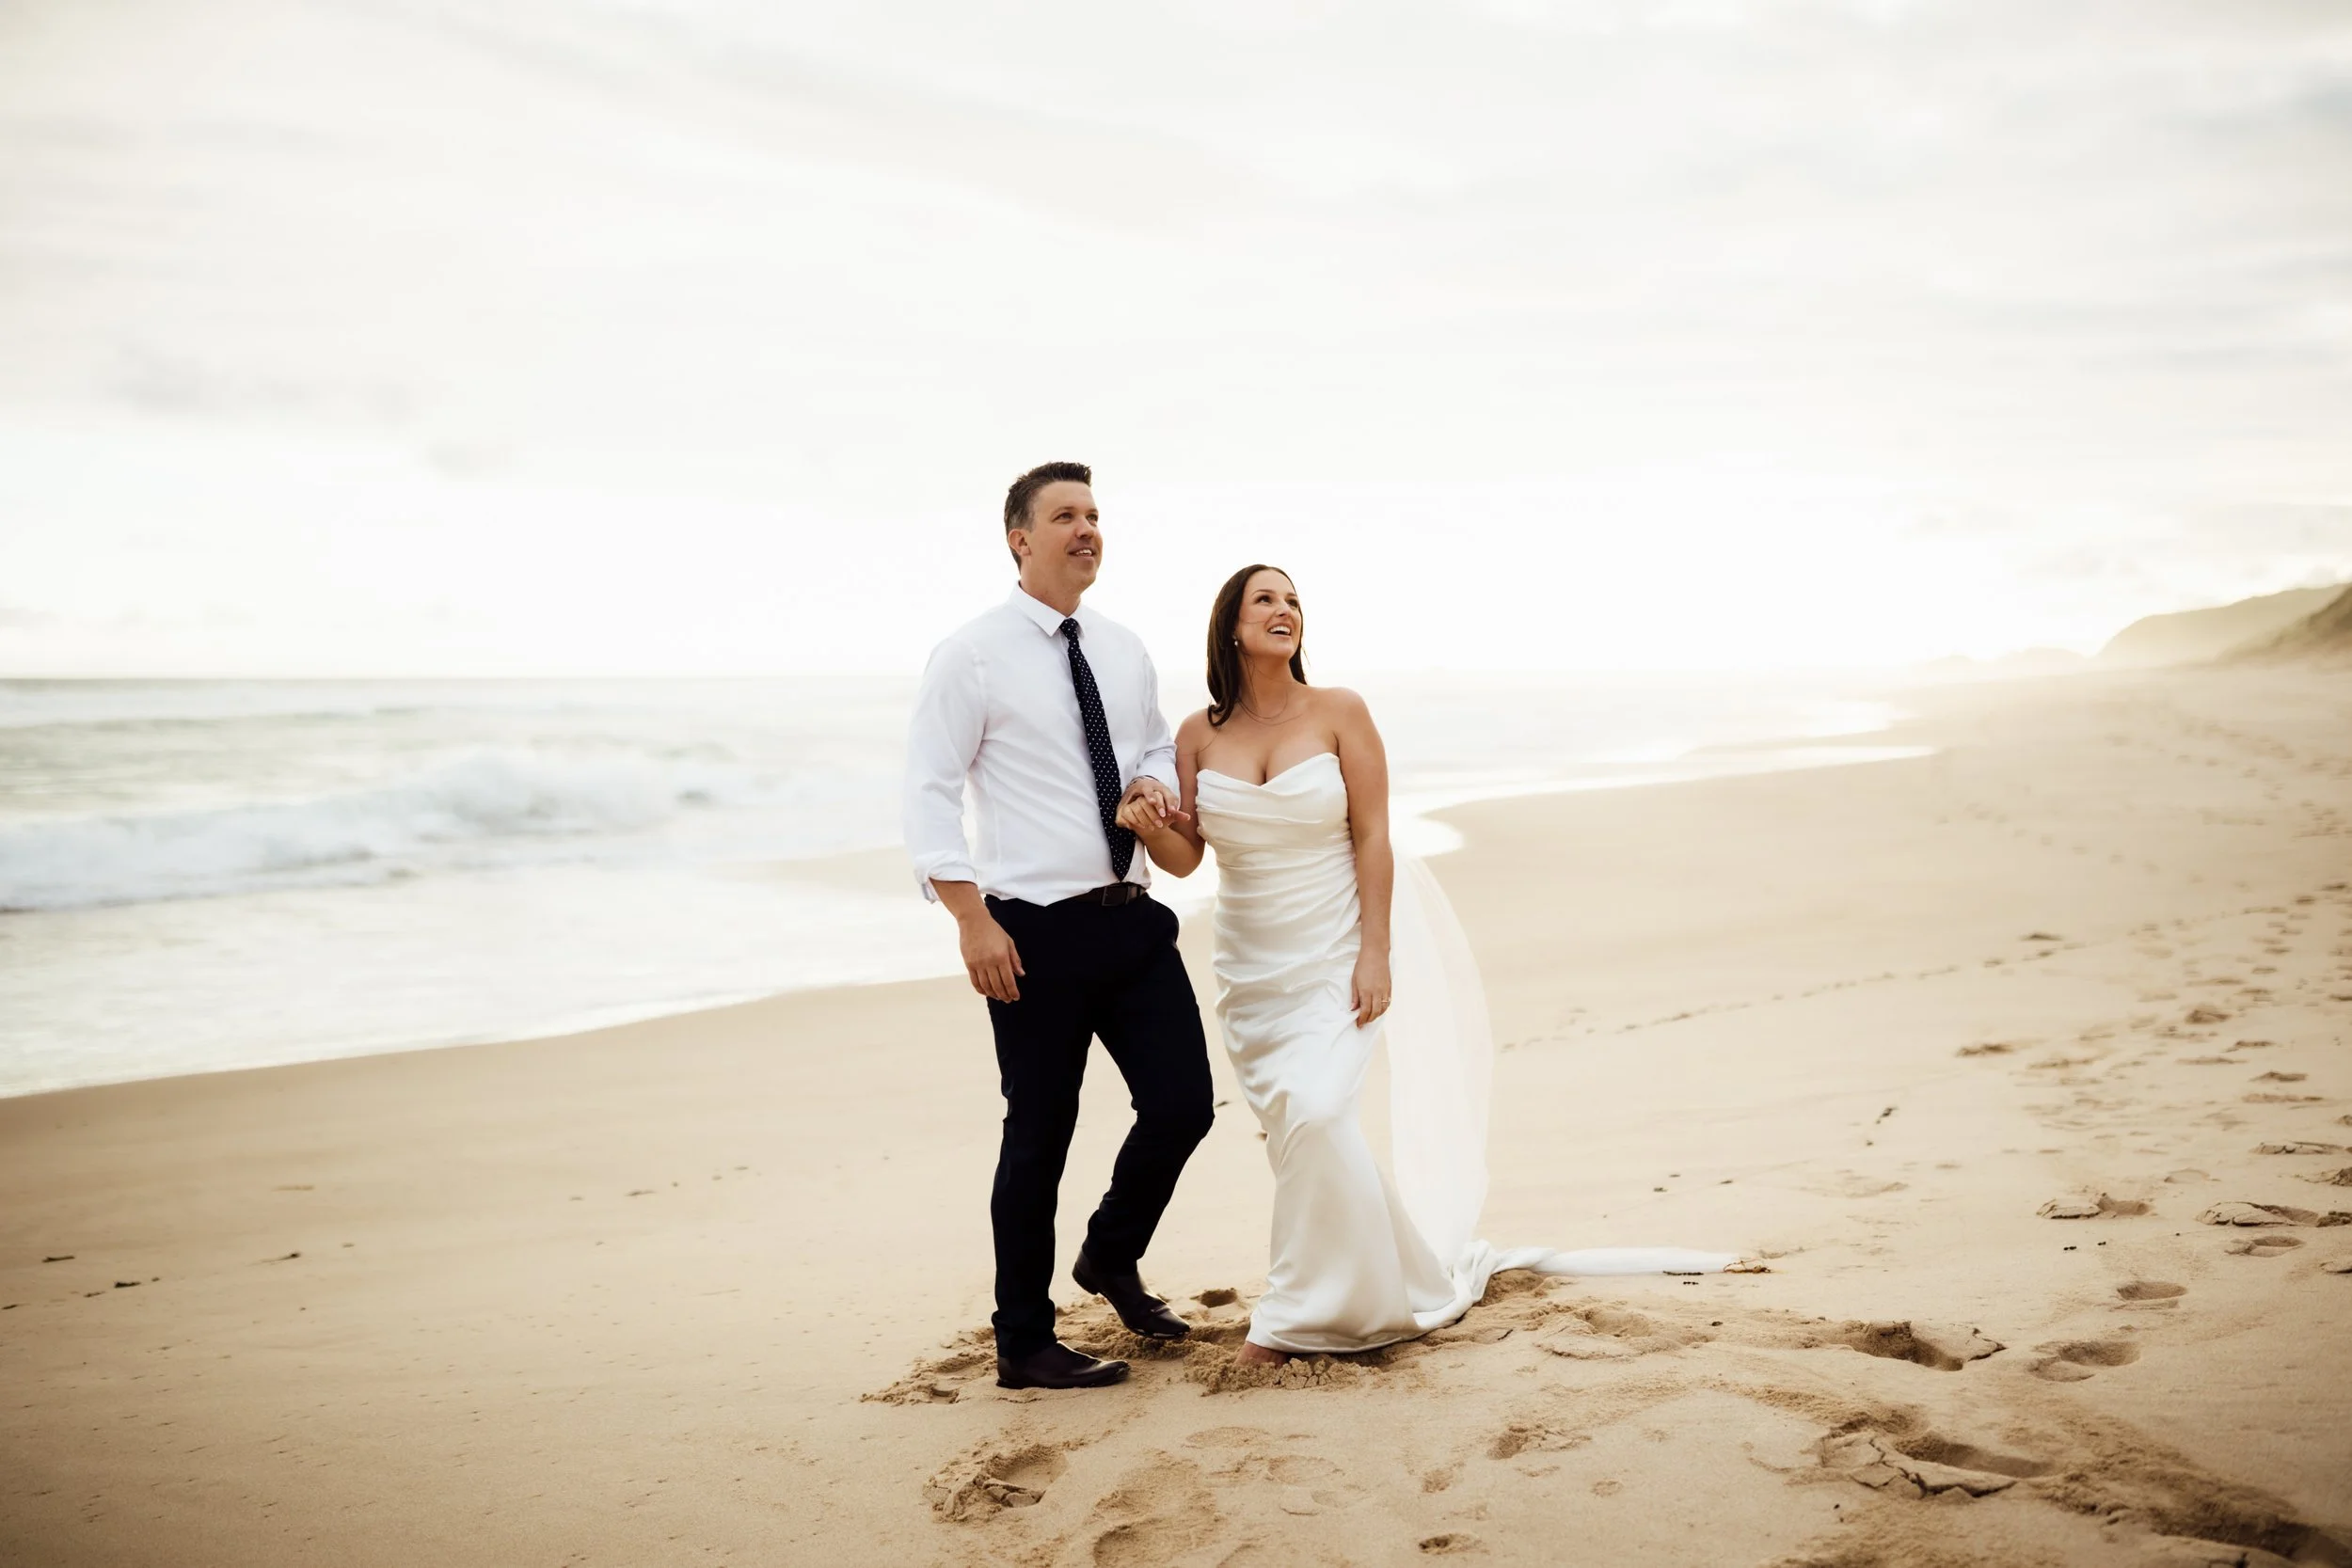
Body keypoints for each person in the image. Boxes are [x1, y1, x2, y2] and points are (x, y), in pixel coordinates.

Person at [1120, 564, 1739, 1364]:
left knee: (1318, 1111)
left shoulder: (1341, 711)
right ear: (1230, 627)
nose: (1285, 611)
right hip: (1251, 968)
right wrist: (1145, 824)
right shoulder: (1197, 734)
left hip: (1334, 948)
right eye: (1265, 600)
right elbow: (1185, 858)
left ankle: (1289, 1318)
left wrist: (1377, 951)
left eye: (1294, 600)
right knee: (1300, 1133)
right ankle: (1380, 1283)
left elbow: (1374, 834)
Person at [902, 462, 1216, 1390]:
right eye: (1064, 516)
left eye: (1092, 514)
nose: (1085, 528)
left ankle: (1109, 1255)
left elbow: (1152, 738)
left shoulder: (1121, 646)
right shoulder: (971, 653)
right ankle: (1023, 1341)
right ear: (1019, 538)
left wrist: (1155, 779)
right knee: (1038, 1134)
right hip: (1028, 934)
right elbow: (925, 788)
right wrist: (968, 917)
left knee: (1181, 1105)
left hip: (1132, 920)